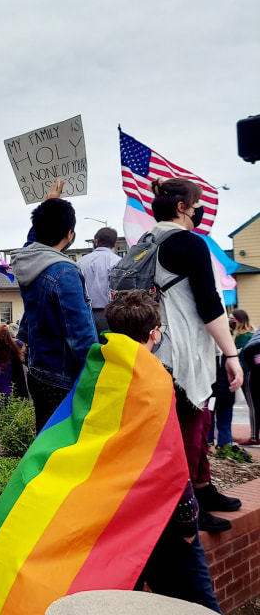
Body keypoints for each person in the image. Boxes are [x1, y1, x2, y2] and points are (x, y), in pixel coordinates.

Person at [105, 290, 221, 614]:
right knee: (199, 604)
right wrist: (187, 520)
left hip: (117, 515)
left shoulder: (101, 374)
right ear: (155, 332)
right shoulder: (155, 380)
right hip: (161, 515)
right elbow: (170, 454)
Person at [149, 178, 243, 533]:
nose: (199, 208)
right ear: (182, 208)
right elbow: (209, 304)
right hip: (186, 355)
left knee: (194, 426)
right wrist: (231, 354)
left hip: (156, 352)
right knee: (189, 430)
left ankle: (202, 489)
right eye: (196, 202)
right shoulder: (188, 242)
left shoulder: (146, 243)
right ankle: (188, 507)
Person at [10, 179, 97, 432]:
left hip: (38, 370)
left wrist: (48, 204)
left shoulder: (29, 260)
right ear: (69, 234)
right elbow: (80, 336)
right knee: (63, 449)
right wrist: (95, 374)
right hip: (63, 377)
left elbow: (33, 240)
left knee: (45, 443)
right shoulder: (64, 272)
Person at [78, 226, 121, 337]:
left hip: (84, 315)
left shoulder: (81, 262)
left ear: (96, 241)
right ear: (115, 243)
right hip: (111, 315)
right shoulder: (118, 262)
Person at [231, 310, 256, 445]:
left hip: (248, 373)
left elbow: (238, 356)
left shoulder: (241, 337)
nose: (230, 322)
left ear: (239, 320)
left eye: (232, 319)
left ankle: (254, 436)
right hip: (256, 371)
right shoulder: (254, 333)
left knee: (252, 405)